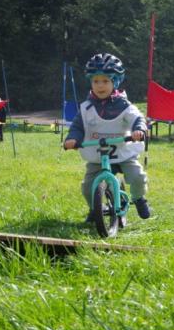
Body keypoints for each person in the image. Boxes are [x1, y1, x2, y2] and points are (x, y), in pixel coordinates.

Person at [64, 53, 151, 222]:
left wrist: (138, 130)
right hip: (98, 156)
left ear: (115, 82)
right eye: (96, 81)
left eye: (105, 81)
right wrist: (72, 139)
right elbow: (77, 126)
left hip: (123, 153)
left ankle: (139, 198)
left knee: (138, 177)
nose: (100, 86)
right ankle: (95, 208)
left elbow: (137, 118)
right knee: (88, 187)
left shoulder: (124, 106)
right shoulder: (86, 108)